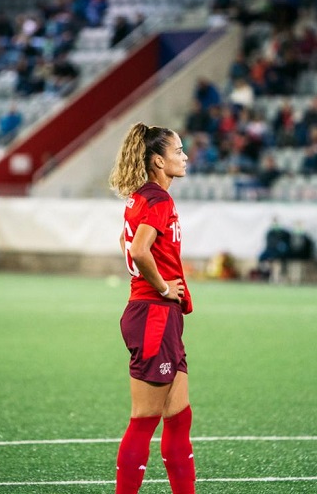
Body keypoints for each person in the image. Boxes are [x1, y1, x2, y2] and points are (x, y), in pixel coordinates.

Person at [108, 122, 196, 494]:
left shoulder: (142, 196)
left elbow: (124, 240)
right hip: (153, 314)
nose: (185, 156)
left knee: (179, 417)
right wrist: (161, 286)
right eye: (178, 151)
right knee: (144, 420)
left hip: (156, 315)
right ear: (158, 161)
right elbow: (139, 250)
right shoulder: (159, 199)